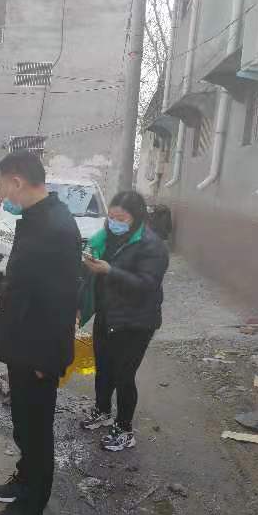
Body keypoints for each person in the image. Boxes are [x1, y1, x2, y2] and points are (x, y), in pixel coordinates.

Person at [0, 150, 81, 515]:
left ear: (16, 181)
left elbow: (62, 302)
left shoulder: (55, 227)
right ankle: (24, 482)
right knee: (24, 423)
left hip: (39, 351)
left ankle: (31, 512)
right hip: (23, 344)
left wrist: (49, 359)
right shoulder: (38, 218)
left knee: (37, 431)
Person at [78, 191, 169, 452]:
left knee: (124, 375)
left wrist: (110, 270)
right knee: (103, 367)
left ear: (136, 217)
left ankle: (124, 429)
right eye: (111, 216)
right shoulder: (106, 237)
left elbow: (147, 285)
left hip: (136, 322)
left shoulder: (152, 246)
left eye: (121, 218)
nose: (114, 222)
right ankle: (103, 411)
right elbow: (92, 278)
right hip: (108, 314)